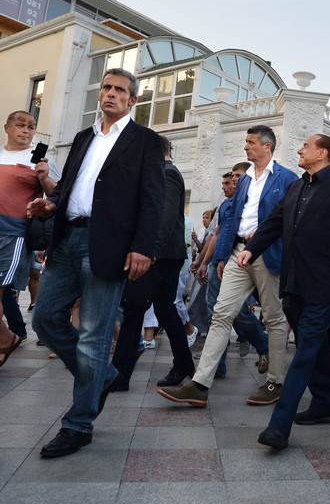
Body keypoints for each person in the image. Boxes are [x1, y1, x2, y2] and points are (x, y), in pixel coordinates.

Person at [28, 68, 164, 457]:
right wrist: (51, 204)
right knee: (45, 318)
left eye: (120, 90)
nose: (110, 93)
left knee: (94, 336)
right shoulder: (83, 137)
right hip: (67, 238)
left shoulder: (145, 141)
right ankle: (103, 374)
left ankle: (79, 424)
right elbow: (69, 186)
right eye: (106, 87)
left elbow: (153, 199)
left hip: (109, 246)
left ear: (132, 100)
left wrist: (142, 247)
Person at [238, 133, 330, 450]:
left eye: (306, 146)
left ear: (323, 153)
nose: (299, 150)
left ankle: (278, 426)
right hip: (293, 283)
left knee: (305, 350)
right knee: (315, 347)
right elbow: (273, 222)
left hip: (325, 283)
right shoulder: (295, 187)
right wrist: (251, 249)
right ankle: (325, 404)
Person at [158, 125, 297, 407]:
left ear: (267, 146)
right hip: (237, 252)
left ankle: (275, 381)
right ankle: (200, 384)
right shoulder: (244, 180)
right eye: (245, 141)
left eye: (250, 142)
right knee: (221, 314)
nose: (245, 146)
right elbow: (231, 221)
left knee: (273, 318)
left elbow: (291, 220)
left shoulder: (286, 178)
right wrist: (221, 257)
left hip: (269, 253)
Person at [112, 136, 193, 389]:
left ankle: (123, 373)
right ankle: (121, 374)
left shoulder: (167, 173)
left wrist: (151, 250)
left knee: (155, 310)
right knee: (141, 310)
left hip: (161, 256)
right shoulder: (157, 173)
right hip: (155, 253)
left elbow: (165, 214)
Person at [0, 110, 60, 367]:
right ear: (7, 127)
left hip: (14, 232)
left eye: (31, 126)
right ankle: (6, 340)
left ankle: (6, 340)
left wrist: (44, 177)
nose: (26, 130)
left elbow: (58, 195)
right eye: (20, 125)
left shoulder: (41, 158)